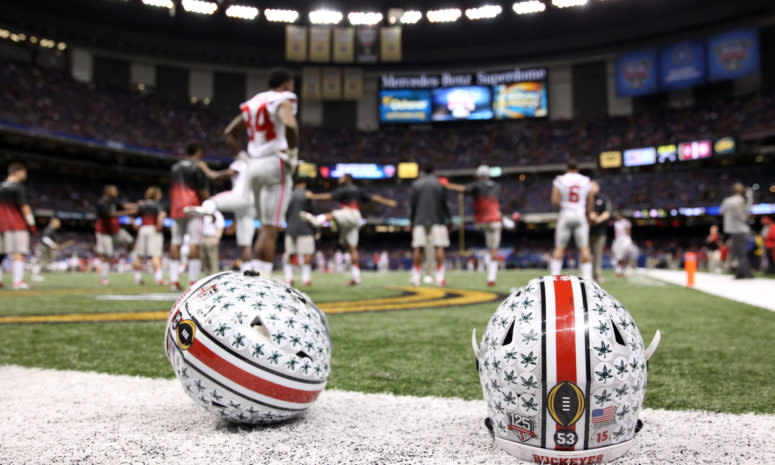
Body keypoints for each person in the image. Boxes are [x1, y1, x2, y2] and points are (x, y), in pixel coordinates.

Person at [223, 68, 299, 277]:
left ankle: (254, 277)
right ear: (286, 84)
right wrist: (292, 154)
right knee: (270, 228)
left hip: (253, 165)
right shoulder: (283, 99)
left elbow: (229, 133)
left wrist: (242, 157)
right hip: (275, 162)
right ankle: (262, 281)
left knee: (264, 227)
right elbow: (291, 127)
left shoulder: (254, 101)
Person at [301, 173, 397, 285]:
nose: (339, 179)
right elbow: (374, 197)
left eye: (342, 177)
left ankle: (317, 220)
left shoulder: (345, 189)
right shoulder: (358, 190)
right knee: (352, 248)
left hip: (350, 213)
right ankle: (356, 277)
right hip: (355, 219)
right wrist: (389, 202)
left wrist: (312, 196)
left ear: (347, 179)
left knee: (334, 214)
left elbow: (328, 196)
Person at [185, 149, 255, 272]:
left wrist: (207, 171)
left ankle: (207, 212)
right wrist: (235, 221)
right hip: (251, 203)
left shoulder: (240, 163)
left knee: (209, 202)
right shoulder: (252, 165)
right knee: (246, 244)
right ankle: (248, 271)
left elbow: (222, 175)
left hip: (240, 196)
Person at [446, 165, 506, 286]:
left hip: (483, 221)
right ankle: (491, 278)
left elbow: (462, 189)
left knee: (490, 249)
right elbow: (500, 203)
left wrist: (447, 185)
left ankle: (490, 277)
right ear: (488, 175)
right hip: (495, 220)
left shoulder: (477, 185)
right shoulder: (497, 187)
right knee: (493, 250)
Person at [168, 141, 209, 290]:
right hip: (194, 208)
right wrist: (209, 206)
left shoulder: (175, 168)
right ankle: (192, 282)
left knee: (175, 243)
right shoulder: (197, 167)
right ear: (197, 152)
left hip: (177, 207)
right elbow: (203, 191)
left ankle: (173, 281)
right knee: (194, 244)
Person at [549, 158, 597, 281]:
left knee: (559, 248)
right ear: (578, 169)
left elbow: (554, 200)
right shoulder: (585, 180)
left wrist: (563, 207)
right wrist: (589, 214)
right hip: (580, 214)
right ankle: (587, 279)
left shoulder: (560, 180)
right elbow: (591, 197)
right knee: (584, 248)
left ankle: (555, 277)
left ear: (566, 168)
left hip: (565, 214)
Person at [409, 162, 451, 287]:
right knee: (439, 246)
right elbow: (445, 204)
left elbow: (412, 205)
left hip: (420, 219)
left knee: (418, 247)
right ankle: (440, 278)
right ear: (434, 170)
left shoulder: (416, 184)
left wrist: (412, 220)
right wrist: (449, 219)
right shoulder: (439, 184)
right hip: (437, 219)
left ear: (422, 170)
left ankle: (416, 277)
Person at [0, 162, 36, 289]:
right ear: (17, 172)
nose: (25, 174)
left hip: (1, 225)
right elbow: (24, 207)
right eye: (24, 172)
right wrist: (31, 223)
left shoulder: (1, 186)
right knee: (19, 252)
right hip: (17, 225)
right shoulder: (19, 188)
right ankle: (17, 281)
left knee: (1, 253)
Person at [95, 185, 136, 286]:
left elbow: (123, 207)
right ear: (107, 191)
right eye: (114, 190)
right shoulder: (102, 202)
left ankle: (134, 264)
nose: (116, 191)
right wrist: (128, 211)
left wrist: (132, 218)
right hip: (104, 232)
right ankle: (104, 278)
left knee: (130, 241)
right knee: (107, 254)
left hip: (115, 231)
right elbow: (110, 214)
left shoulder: (115, 201)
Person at [283, 179, 316, 286]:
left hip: (291, 227)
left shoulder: (289, 194)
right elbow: (312, 211)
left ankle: (289, 278)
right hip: (305, 227)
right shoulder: (308, 194)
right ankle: (305, 279)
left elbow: (286, 213)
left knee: (290, 253)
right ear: (304, 184)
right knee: (307, 253)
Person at [132, 187, 166, 285]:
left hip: (143, 229)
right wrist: (159, 226)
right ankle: (159, 278)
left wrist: (135, 225)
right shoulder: (158, 204)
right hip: (153, 229)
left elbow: (132, 215)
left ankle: (137, 278)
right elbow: (162, 214)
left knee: (139, 255)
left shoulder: (142, 204)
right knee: (155, 255)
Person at [720, 182, 753, 279]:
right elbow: (744, 216)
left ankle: (742, 272)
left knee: (738, 253)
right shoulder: (740, 200)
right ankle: (744, 273)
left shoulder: (727, 200)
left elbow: (722, 211)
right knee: (741, 253)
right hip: (741, 230)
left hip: (733, 230)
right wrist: (750, 200)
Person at [31, 217, 70, 282]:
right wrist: (53, 245)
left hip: (46, 247)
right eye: (58, 222)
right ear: (53, 222)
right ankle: (35, 275)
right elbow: (45, 239)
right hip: (44, 247)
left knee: (47, 261)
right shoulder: (49, 229)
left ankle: (38, 275)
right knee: (43, 261)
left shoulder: (52, 230)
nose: (59, 224)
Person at [589, 190, 612, 282]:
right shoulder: (586, 199)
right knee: (585, 253)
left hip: (600, 232)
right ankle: (584, 274)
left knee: (598, 254)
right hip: (587, 231)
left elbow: (608, 212)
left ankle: (597, 275)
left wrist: (598, 219)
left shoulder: (603, 199)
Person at [200, 207, 225, 276]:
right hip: (202, 237)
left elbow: (220, 226)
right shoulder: (203, 213)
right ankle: (207, 276)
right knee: (204, 259)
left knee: (213, 259)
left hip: (212, 237)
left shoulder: (217, 214)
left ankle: (214, 276)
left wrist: (217, 238)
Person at [612, 211, 634, 277]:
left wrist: (629, 240)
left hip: (625, 240)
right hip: (618, 241)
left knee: (625, 256)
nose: (616, 217)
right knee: (618, 257)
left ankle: (627, 270)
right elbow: (616, 234)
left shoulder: (625, 222)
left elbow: (628, 232)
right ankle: (618, 271)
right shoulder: (616, 223)